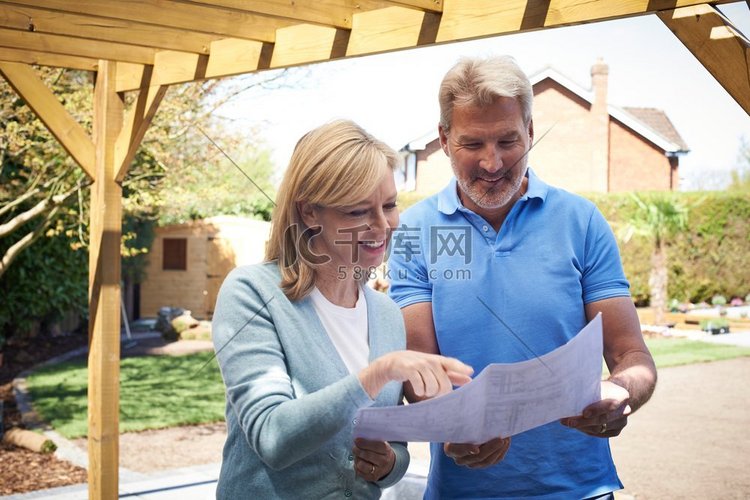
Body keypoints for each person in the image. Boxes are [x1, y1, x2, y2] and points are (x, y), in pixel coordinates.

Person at [387, 56, 658, 499]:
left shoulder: (581, 221)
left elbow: (632, 355)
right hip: (462, 491)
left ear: (530, 132)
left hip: (581, 491)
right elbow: (420, 370)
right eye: (472, 144)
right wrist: (457, 423)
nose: (492, 163)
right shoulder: (416, 232)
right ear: (444, 139)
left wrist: (621, 391)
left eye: (508, 141)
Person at [211, 119, 473, 499]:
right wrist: (379, 373)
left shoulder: (385, 314)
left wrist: (387, 464)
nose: (383, 226)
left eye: (389, 205)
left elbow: (392, 447)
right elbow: (272, 436)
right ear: (310, 213)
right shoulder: (251, 292)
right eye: (358, 212)